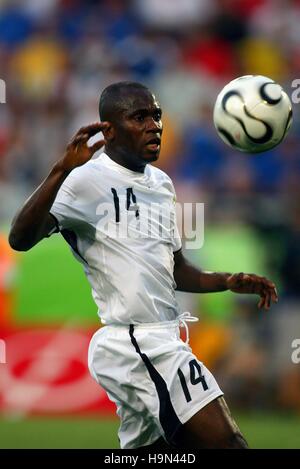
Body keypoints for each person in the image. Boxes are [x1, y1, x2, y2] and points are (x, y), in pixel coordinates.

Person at [9, 81, 278, 449]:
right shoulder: (83, 181)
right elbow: (19, 239)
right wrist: (60, 172)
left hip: (161, 336)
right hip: (136, 341)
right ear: (109, 129)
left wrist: (228, 280)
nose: (154, 126)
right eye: (139, 117)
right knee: (228, 444)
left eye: (157, 116)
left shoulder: (161, 184)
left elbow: (176, 269)